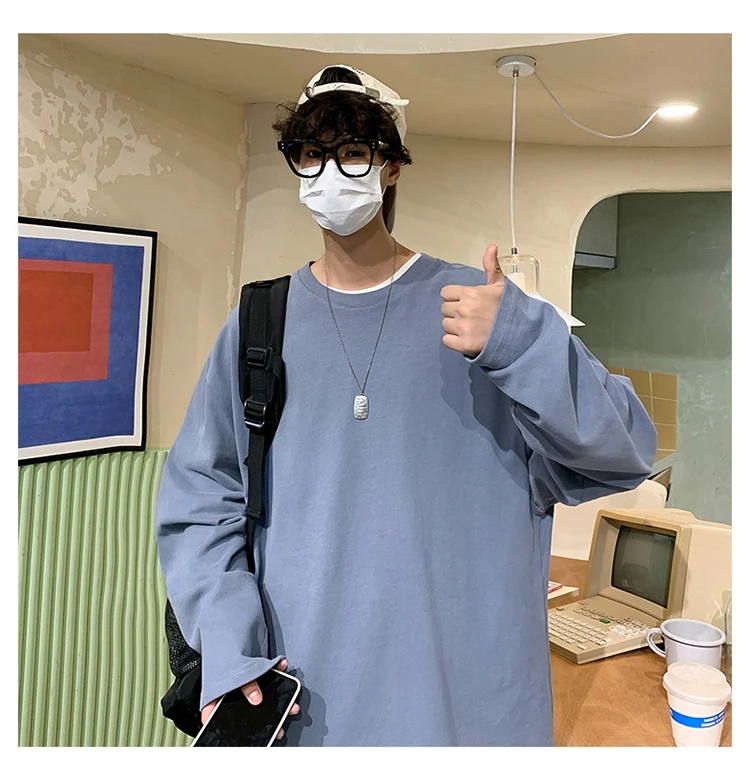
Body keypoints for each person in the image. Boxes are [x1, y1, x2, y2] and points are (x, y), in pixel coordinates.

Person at [156, 64, 657, 746]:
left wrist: (521, 340)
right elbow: (201, 503)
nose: (330, 172)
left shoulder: (483, 312)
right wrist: (228, 643)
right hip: (301, 709)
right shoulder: (258, 324)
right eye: (311, 154)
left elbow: (626, 452)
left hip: (467, 718)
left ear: (391, 165)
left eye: (352, 151)